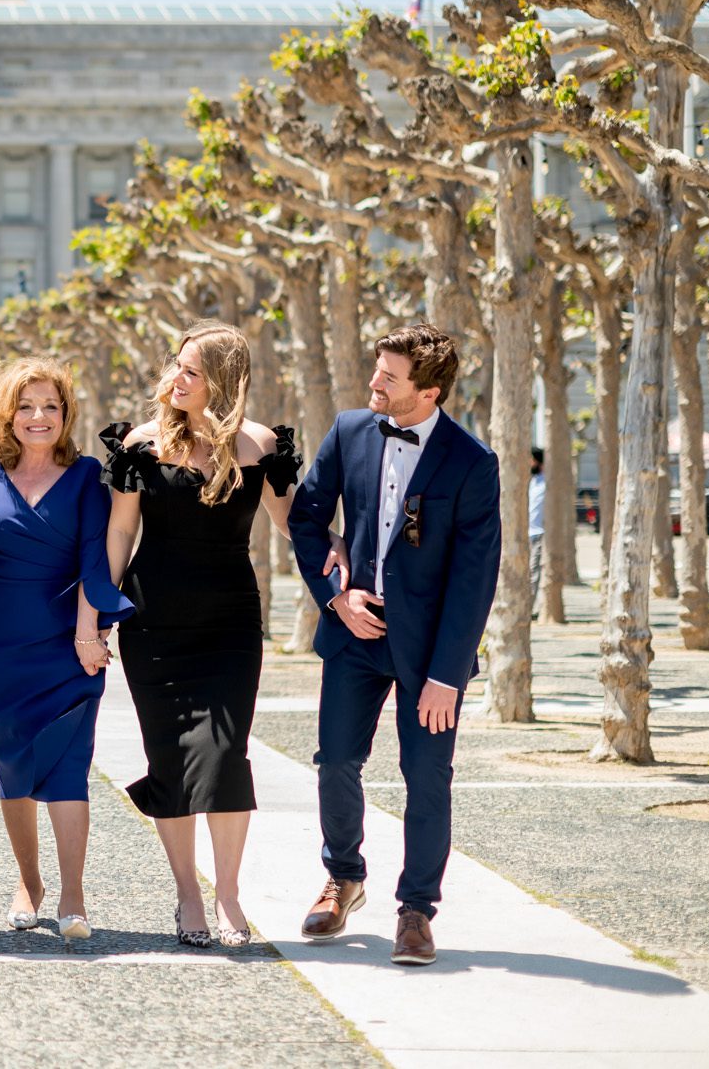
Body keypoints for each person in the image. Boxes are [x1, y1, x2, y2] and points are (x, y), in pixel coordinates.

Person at [289, 323, 501, 967]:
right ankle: (344, 877)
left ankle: (416, 910)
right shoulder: (350, 430)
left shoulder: (471, 462)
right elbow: (307, 518)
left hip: (431, 650)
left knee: (427, 778)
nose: (374, 382)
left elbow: (475, 577)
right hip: (354, 631)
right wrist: (336, 597)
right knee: (335, 761)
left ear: (429, 391)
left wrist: (447, 675)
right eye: (377, 369)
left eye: (389, 376)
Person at [100, 321, 300, 947]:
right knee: (169, 760)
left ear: (223, 380)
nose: (177, 377)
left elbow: (296, 525)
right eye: (177, 366)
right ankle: (189, 894)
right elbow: (119, 535)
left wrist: (347, 561)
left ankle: (231, 895)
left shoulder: (259, 445)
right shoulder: (142, 443)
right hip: (152, 622)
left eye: (192, 369)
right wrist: (96, 612)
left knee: (224, 754)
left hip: (230, 622)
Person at [0, 358, 133, 941]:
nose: (38, 417)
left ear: (66, 414)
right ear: (7, 415)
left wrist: (88, 632)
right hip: (0, 640)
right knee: (13, 766)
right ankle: (30, 882)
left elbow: (98, 555)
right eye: (25, 407)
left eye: (50, 406)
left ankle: (72, 893)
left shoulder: (87, 474)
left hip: (69, 640)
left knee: (69, 766)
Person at [527, 447, 547, 622]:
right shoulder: (532, 481)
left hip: (540, 532)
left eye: (531, 459)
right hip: (528, 532)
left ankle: (530, 608)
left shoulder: (547, 482)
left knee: (534, 572)